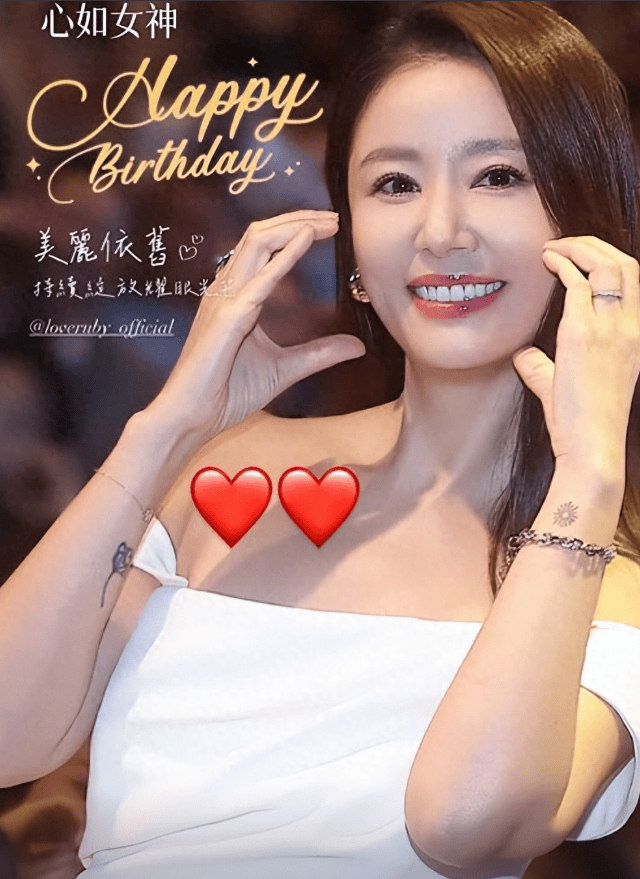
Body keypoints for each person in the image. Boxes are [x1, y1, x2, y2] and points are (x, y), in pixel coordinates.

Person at [1, 2, 640, 877]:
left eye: (499, 175)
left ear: (588, 220)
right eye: (394, 184)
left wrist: (590, 478)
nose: (441, 230)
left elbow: (465, 826)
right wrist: (165, 430)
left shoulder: (608, 583)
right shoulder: (221, 471)